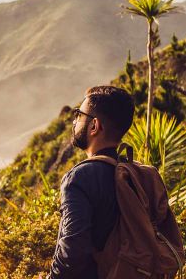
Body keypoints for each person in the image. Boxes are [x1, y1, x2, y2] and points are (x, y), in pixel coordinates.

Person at [48, 85, 135, 279]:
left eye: (79, 115)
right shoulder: (133, 174)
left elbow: (72, 251)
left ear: (94, 126)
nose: (74, 121)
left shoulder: (80, 178)